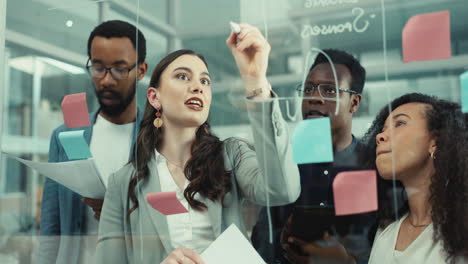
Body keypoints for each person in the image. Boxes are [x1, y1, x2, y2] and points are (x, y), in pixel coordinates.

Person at [95, 24, 300, 264]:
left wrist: (255, 80)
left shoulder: (230, 156)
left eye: (205, 81)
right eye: (182, 76)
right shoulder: (123, 183)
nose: (197, 87)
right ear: (154, 97)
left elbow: (283, 189)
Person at [251, 48, 376, 264]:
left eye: (329, 90)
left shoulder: (373, 165)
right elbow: (262, 239)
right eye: (308, 89)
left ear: (354, 103)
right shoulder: (287, 163)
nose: (314, 98)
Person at [38, 20, 148, 264]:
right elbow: (51, 226)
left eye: (119, 69)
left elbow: (174, 223)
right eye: (98, 68)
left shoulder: (156, 138)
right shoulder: (67, 136)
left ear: (141, 71)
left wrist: (117, 211)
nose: (107, 80)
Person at [361, 93, 468, 263]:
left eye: (400, 123)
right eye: (383, 130)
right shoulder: (385, 233)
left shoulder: (461, 231)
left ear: (435, 142)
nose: (380, 137)